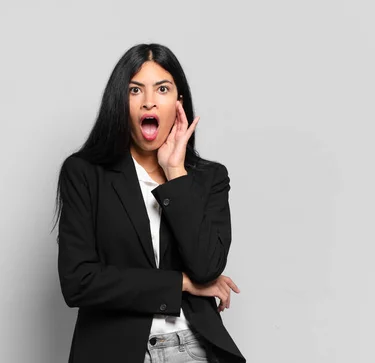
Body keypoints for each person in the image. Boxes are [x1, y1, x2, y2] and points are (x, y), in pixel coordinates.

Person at [55, 43, 245, 363]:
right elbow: (79, 282)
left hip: (194, 347)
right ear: (119, 101)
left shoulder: (208, 178)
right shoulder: (85, 173)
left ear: (178, 102)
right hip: (114, 350)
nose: (149, 102)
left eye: (162, 89)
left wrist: (175, 173)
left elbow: (208, 267)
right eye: (135, 90)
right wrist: (181, 284)